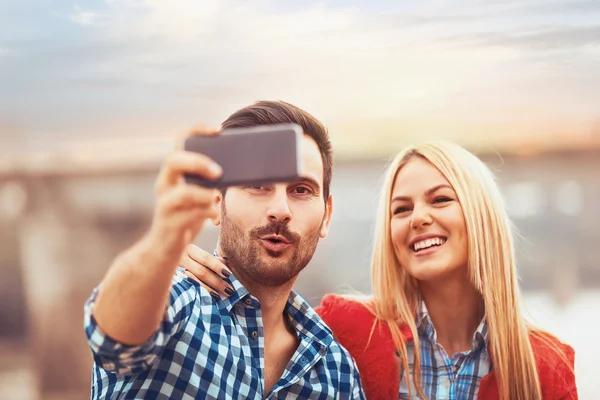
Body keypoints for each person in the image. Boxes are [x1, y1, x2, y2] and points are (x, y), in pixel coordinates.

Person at [188, 141, 577, 399]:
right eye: (401, 209)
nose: (419, 218)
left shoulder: (548, 365)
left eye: (440, 199)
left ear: (483, 215)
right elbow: (252, 333)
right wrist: (174, 267)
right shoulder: (345, 329)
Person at [83, 100, 365, 399]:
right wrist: (163, 241)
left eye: (301, 190)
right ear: (217, 201)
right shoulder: (177, 301)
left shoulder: (337, 372)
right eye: (258, 185)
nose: (280, 209)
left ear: (327, 216)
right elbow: (111, 340)